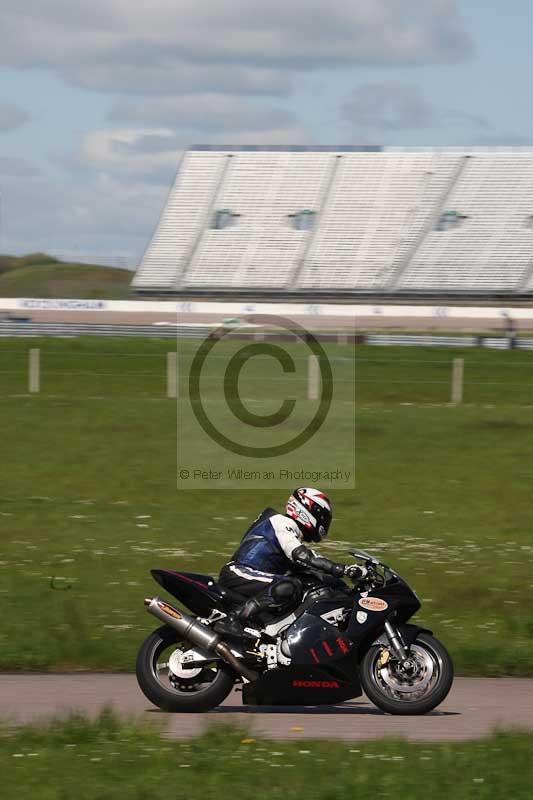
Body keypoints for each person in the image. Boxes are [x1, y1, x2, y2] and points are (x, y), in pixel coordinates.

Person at [215, 487, 366, 638]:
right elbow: (304, 556)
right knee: (289, 586)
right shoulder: (281, 523)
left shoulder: (289, 533)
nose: (324, 524)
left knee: (306, 582)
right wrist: (342, 569)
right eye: (323, 518)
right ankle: (232, 619)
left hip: (250, 575)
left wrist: (345, 589)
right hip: (239, 572)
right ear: (307, 510)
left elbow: (310, 570)